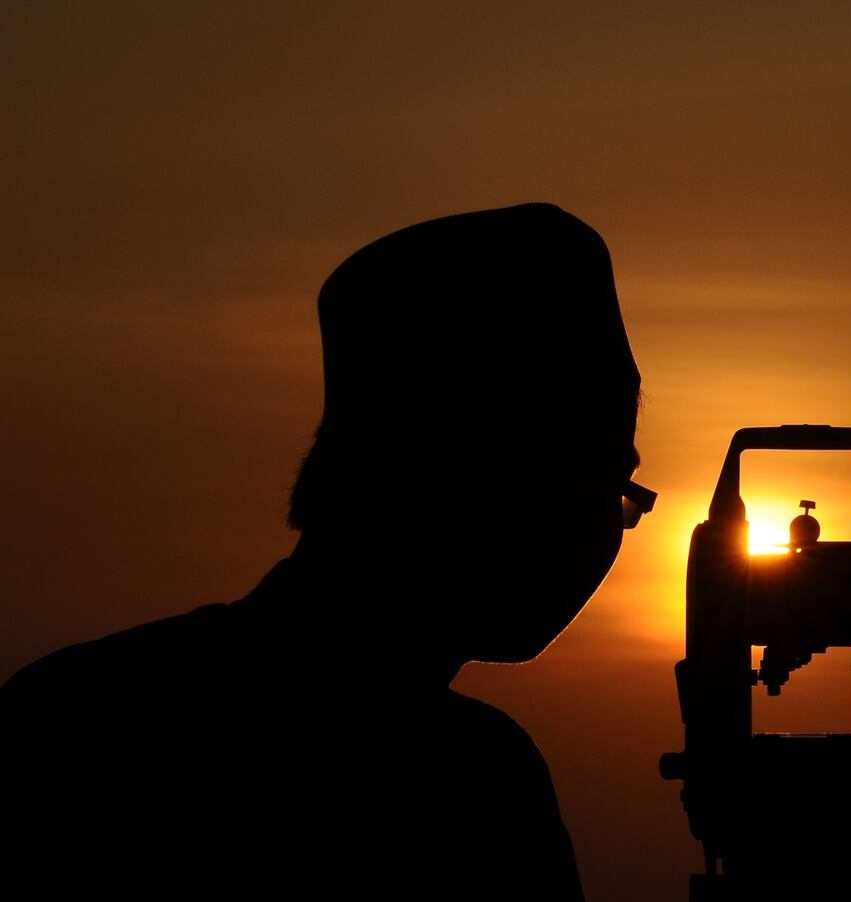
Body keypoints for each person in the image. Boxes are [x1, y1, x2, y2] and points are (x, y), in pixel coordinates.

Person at [0, 203, 651, 896]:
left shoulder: (69, 713)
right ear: (464, 469)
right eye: (607, 480)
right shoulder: (472, 787)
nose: (601, 530)